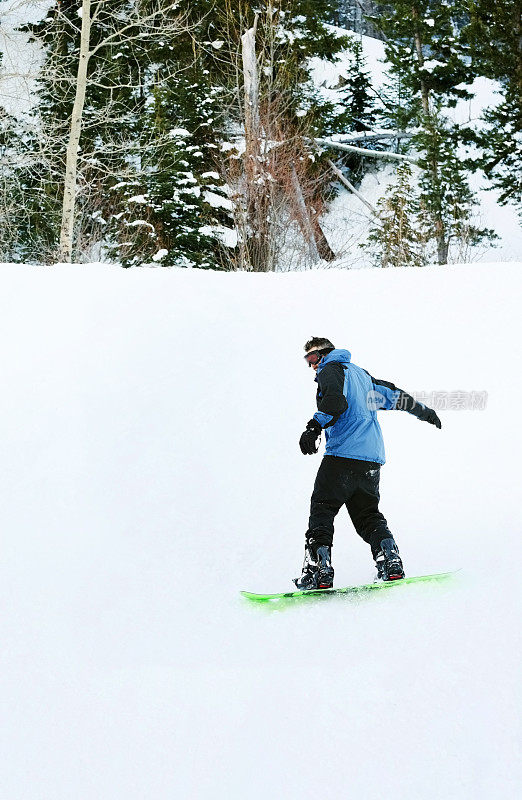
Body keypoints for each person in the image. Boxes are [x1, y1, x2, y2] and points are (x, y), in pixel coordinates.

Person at [295, 337, 442, 590]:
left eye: (312, 358)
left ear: (325, 354)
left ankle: (318, 570)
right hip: (370, 461)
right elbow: (396, 397)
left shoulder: (331, 369)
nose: (312, 367)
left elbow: (335, 403)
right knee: (368, 516)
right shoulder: (363, 377)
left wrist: (314, 426)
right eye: (307, 361)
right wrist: (426, 413)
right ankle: (390, 560)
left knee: (322, 508)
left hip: (342, 456)